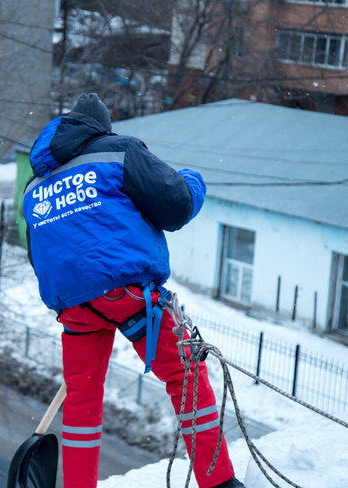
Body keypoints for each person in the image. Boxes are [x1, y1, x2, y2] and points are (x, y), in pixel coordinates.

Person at [22, 93, 244, 488]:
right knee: (184, 376)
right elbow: (175, 205)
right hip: (125, 295)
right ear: (100, 129)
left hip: (73, 308)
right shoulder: (118, 151)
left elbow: (38, 254)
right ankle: (219, 481)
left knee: (81, 402)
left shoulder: (34, 184)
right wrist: (194, 181)